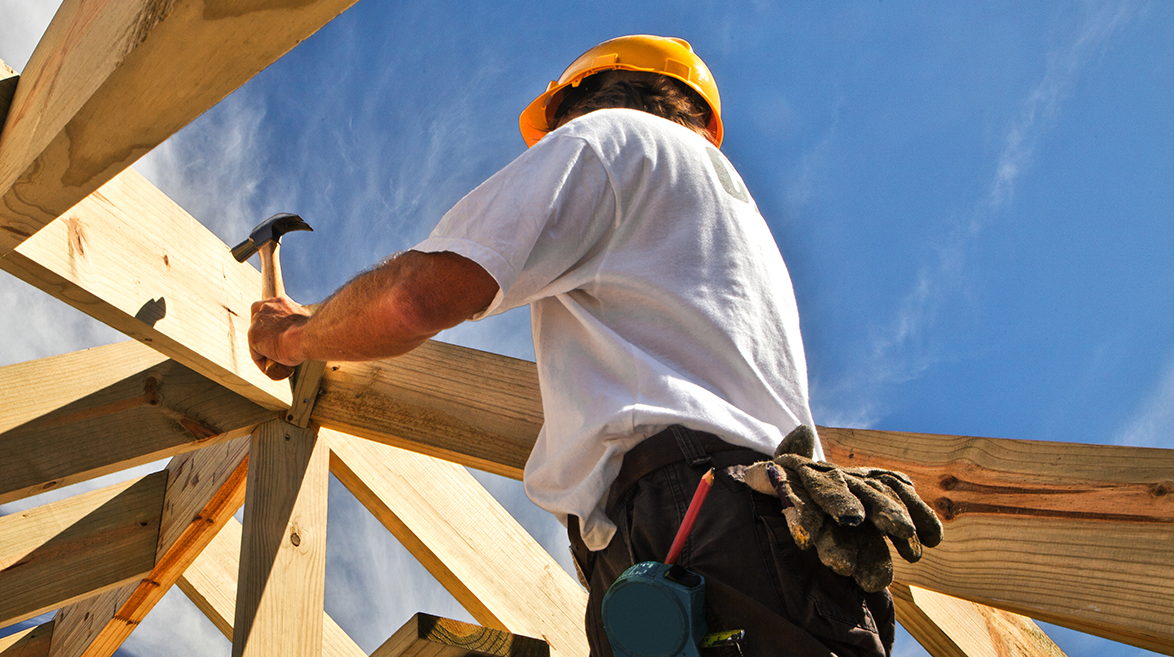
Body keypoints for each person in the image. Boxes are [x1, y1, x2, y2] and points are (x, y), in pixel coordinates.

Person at [249, 35, 903, 656]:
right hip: (788, 550)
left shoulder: (612, 139)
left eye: (558, 126)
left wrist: (297, 332)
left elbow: (414, 296)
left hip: (693, 525)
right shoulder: (730, 222)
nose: (554, 142)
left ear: (587, 100)